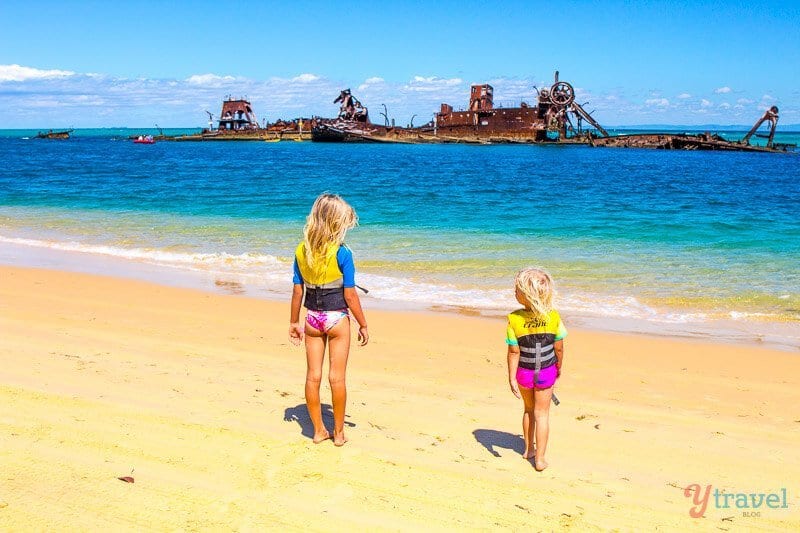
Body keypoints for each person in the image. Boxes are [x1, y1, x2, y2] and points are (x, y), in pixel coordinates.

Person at [289, 193, 369, 446]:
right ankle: (339, 433)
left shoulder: (302, 250)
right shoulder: (343, 253)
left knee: (313, 376)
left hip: (312, 319)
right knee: (337, 378)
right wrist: (363, 323)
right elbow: (350, 294)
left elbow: (297, 291)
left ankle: (318, 431)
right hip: (337, 320)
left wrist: (293, 322)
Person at [505, 267, 566, 471]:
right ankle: (540, 459)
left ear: (527, 294)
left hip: (524, 372)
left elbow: (514, 352)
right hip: (546, 371)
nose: (514, 292)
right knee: (543, 414)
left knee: (529, 410)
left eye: (517, 289)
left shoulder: (514, 319)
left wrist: (512, 377)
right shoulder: (553, 317)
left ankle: (528, 449)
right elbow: (558, 347)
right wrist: (558, 367)